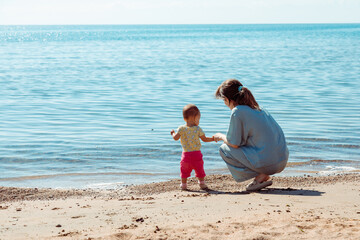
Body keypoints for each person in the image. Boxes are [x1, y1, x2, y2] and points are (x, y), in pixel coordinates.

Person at [213, 79, 289, 191]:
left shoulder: (237, 111)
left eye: (224, 100)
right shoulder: (259, 109)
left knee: (224, 149)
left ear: (229, 99)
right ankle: (262, 174)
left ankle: (261, 175)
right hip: (282, 161)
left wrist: (220, 136)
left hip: (269, 164)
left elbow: (234, 143)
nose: (224, 103)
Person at [171, 104, 215, 190]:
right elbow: (205, 139)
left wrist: (172, 133)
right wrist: (213, 139)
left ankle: (183, 184)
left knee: (184, 170)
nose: (199, 120)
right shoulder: (198, 129)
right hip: (197, 154)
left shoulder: (181, 129)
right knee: (199, 169)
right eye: (199, 118)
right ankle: (202, 183)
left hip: (186, 155)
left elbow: (175, 138)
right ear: (195, 118)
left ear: (184, 118)